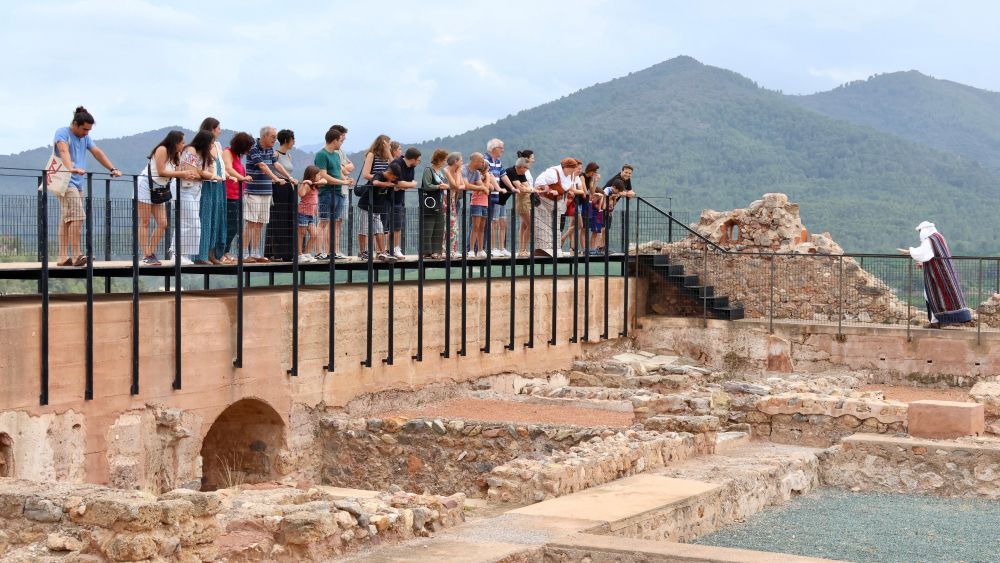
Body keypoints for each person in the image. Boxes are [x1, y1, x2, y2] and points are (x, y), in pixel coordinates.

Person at [52, 107, 121, 266]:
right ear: (75, 124)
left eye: (89, 130)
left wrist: (112, 168)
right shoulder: (62, 132)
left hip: (77, 182)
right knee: (78, 216)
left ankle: (62, 257)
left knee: (66, 219)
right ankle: (76, 255)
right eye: (84, 129)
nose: (86, 133)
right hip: (64, 180)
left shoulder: (85, 138)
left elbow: (97, 152)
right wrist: (70, 168)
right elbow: (63, 150)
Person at [137, 130, 198, 265]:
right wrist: (182, 174)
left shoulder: (175, 154)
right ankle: (147, 254)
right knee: (145, 221)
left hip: (160, 187)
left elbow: (174, 171)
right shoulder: (162, 149)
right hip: (147, 184)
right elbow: (161, 171)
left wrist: (186, 172)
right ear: (175, 142)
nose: (184, 145)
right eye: (182, 142)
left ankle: (150, 252)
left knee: (163, 223)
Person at [899, 222, 974, 328]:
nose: (920, 233)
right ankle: (939, 321)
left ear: (925, 230)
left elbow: (921, 253)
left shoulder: (931, 239)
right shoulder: (939, 237)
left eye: (920, 231)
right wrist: (923, 263)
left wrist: (910, 251)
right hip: (943, 272)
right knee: (943, 295)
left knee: (931, 295)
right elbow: (931, 256)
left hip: (938, 274)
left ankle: (938, 322)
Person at [170, 130, 217, 265]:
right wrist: (204, 174)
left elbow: (209, 172)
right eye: (211, 143)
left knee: (193, 222)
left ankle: (184, 254)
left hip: (196, 190)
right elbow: (191, 172)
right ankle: (176, 253)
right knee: (189, 221)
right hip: (184, 189)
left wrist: (203, 174)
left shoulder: (205, 155)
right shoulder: (191, 150)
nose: (212, 146)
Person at [243, 127, 288, 263]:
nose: (275, 139)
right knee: (251, 222)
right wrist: (275, 178)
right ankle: (244, 253)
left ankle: (256, 252)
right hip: (254, 191)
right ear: (263, 136)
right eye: (272, 137)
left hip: (266, 191)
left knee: (260, 223)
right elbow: (262, 165)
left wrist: (288, 177)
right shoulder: (253, 148)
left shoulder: (270, 149)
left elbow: (276, 164)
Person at [313, 128, 354, 260]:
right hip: (326, 192)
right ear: (334, 140)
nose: (341, 143)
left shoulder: (336, 155)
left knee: (334, 221)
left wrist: (345, 180)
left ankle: (332, 251)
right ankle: (319, 251)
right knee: (323, 221)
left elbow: (339, 172)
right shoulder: (321, 155)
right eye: (340, 141)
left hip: (338, 192)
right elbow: (323, 174)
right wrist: (342, 182)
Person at [195, 118, 229, 265]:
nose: (220, 130)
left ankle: (212, 253)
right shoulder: (203, 145)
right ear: (212, 129)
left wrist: (229, 176)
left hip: (219, 184)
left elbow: (221, 165)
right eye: (218, 128)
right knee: (206, 217)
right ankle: (201, 254)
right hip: (208, 184)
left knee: (217, 218)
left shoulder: (217, 145)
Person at [264, 129, 298, 262]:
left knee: (288, 217)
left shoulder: (288, 156)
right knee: (278, 218)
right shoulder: (275, 154)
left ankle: (288, 251)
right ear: (286, 140)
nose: (294, 142)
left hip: (288, 188)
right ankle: (275, 252)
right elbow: (272, 171)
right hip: (278, 187)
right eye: (292, 139)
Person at [532, 158, 579, 257]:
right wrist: (548, 189)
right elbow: (540, 183)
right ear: (566, 167)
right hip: (545, 201)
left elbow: (564, 188)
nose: (572, 171)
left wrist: (559, 192)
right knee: (543, 226)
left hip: (556, 202)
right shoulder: (553, 172)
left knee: (555, 226)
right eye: (571, 168)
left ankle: (555, 249)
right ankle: (543, 249)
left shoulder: (570, 176)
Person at [221, 132, 254, 263]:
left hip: (238, 194)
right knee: (230, 225)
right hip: (229, 195)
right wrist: (243, 178)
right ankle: (221, 252)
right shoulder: (227, 153)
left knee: (235, 226)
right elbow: (228, 169)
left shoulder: (237, 156)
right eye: (248, 147)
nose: (249, 150)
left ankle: (226, 251)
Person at [358, 135, 392, 258]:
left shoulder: (387, 158)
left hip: (380, 196)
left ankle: (381, 251)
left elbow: (395, 169)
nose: (389, 145)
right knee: (364, 226)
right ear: (382, 143)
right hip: (370, 194)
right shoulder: (371, 155)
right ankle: (362, 252)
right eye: (388, 143)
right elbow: (366, 174)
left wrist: (388, 152)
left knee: (379, 226)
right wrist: (381, 179)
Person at [357, 162, 398, 263]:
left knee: (379, 230)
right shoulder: (379, 174)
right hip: (365, 206)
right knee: (364, 229)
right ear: (390, 174)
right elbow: (375, 183)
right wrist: (387, 184)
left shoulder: (390, 181)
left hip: (377, 208)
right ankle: (362, 252)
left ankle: (382, 252)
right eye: (394, 177)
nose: (393, 180)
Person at [389, 147, 421, 260]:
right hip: (389, 198)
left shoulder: (411, 167)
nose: (419, 163)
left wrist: (404, 185)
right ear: (413, 159)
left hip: (400, 198)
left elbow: (404, 185)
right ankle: (391, 249)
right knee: (390, 226)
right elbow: (399, 183)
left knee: (398, 225)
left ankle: (395, 248)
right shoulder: (397, 164)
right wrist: (408, 184)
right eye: (418, 160)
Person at [329, 124, 354, 258]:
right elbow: (341, 170)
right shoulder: (332, 152)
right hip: (336, 189)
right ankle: (331, 249)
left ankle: (337, 249)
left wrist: (344, 168)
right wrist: (344, 168)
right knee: (332, 221)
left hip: (344, 189)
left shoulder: (341, 151)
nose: (344, 138)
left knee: (339, 222)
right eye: (342, 136)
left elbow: (351, 166)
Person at [419, 149, 450, 258]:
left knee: (439, 228)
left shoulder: (440, 172)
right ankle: (427, 251)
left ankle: (437, 251)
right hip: (429, 204)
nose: (446, 162)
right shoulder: (429, 170)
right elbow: (427, 185)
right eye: (445, 160)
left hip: (439, 202)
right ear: (439, 159)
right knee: (428, 227)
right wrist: (439, 186)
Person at [503, 157, 534, 257]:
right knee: (530, 225)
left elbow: (527, 186)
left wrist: (527, 188)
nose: (527, 170)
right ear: (521, 167)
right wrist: (527, 188)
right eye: (526, 168)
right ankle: (522, 249)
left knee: (527, 225)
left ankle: (523, 249)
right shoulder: (511, 171)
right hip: (512, 201)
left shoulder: (521, 173)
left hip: (512, 201)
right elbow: (521, 188)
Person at [484, 139, 510, 257]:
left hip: (498, 195)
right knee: (493, 222)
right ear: (493, 149)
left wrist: (512, 188)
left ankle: (501, 248)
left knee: (502, 221)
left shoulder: (498, 162)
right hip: (490, 195)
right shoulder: (486, 160)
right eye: (501, 148)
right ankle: (492, 248)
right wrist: (498, 188)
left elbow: (503, 175)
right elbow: (490, 175)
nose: (503, 150)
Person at [296, 165, 327, 263]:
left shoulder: (315, 185)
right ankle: (299, 254)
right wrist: (304, 183)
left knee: (315, 235)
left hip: (311, 214)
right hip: (303, 213)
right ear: (312, 175)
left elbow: (325, 181)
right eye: (318, 175)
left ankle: (306, 253)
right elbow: (301, 194)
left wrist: (314, 182)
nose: (319, 176)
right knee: (301, 234)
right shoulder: (307, 185)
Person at [463, 152, 490, 258]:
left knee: (482, 227)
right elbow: (480, 190)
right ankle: (470, 250)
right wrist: (482, 187)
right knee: (475, 226)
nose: (482, 163)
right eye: (482, 161)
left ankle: (480, 249)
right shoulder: (470, 172)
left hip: (484, 203)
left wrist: (486, 181)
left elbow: (487, 190)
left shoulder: (479, 175)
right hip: (476, 203)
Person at [442, 152, 467, 258]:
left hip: (451, 201)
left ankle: (453, 250)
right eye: (461, 160)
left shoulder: (457, 171)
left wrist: (457, 177)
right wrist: (457, 175)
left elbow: (463, 185)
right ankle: (443, 251)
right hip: (443, 201)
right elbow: (457, 185)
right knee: (444, 227)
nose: (462, 162)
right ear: (456, 161)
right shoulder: (446, 171)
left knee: (454, 227)